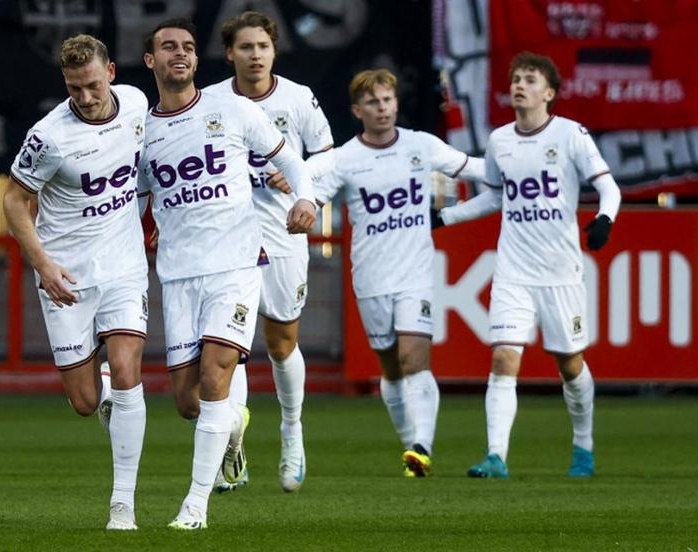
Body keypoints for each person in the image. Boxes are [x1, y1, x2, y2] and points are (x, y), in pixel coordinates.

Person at [139, 17, 316, 530]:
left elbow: (292, 161)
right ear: (150, 60)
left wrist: (306, 198)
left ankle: (195, 506)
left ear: (197, 59)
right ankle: (234, 430)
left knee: (218, 376)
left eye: (188, 47)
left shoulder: (232, 109)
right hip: (179, 276)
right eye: (168, 47)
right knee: (189, 401)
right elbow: (136, 203)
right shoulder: (141, 132)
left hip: (236, 265)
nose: (180, 53)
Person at [434, 51, 621, 478]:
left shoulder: (571, 135)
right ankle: (495, 456)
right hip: (513, 270)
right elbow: (497, 196)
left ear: (549, 93)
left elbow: (609, 187)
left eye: (531, 79)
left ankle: (583, 447)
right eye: (516, 78)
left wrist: (605, 219)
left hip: (560, 272)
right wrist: (446, 217)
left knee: (569, 364)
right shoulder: (500, 140)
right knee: (504, 358)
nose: (520, 85)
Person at [3, 35, 149, 529]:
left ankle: (122, 505)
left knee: (127, 370)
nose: (84, 98)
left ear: (111, 73)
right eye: (73, 88)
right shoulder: (49, 136)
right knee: (86, 403)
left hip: (125, 266)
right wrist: (43, 265)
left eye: (91, 85)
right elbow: (13, 201)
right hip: (66, 275)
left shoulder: (137, 104)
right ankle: (106, 399)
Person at [314, 69, 484, 477]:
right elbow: (311, 196)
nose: (382, 108)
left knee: (414, 358)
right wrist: (299, 207)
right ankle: (410, 442)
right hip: (372, 277)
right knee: (391, 367)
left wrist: (518, 167)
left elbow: (475, 169)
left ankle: (421, 447)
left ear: (396, 102)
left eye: (387, 100)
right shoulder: (345, 159)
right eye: (373, 102)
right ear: (357, 110)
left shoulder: (421, 145)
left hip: (415, 274)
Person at [205, 10, 335, 494]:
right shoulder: (212, 101)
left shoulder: (298, 98)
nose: (255, 55)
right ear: (229, 54)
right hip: (227, 235)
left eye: (262, 46)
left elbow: (327, 154)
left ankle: (292, 430)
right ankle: (231, 448)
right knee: (230, 345)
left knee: (281, 344)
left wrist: (302, 180)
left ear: (274, 50)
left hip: (283, 233)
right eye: (245, 47)